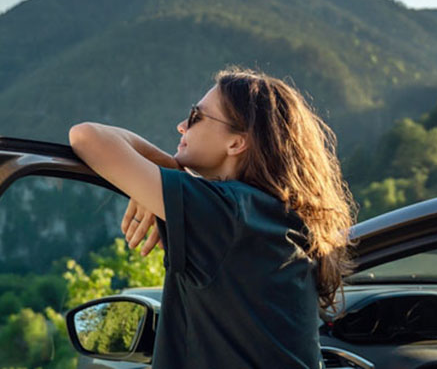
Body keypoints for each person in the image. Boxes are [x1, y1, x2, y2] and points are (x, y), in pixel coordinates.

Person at [68, 67, 356, 368]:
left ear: (236, 143)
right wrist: (167, 181)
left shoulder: (227, 213)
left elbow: (87, 137)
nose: (182, 126)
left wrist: (169, 172)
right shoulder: (275, 217)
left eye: (196, 117)